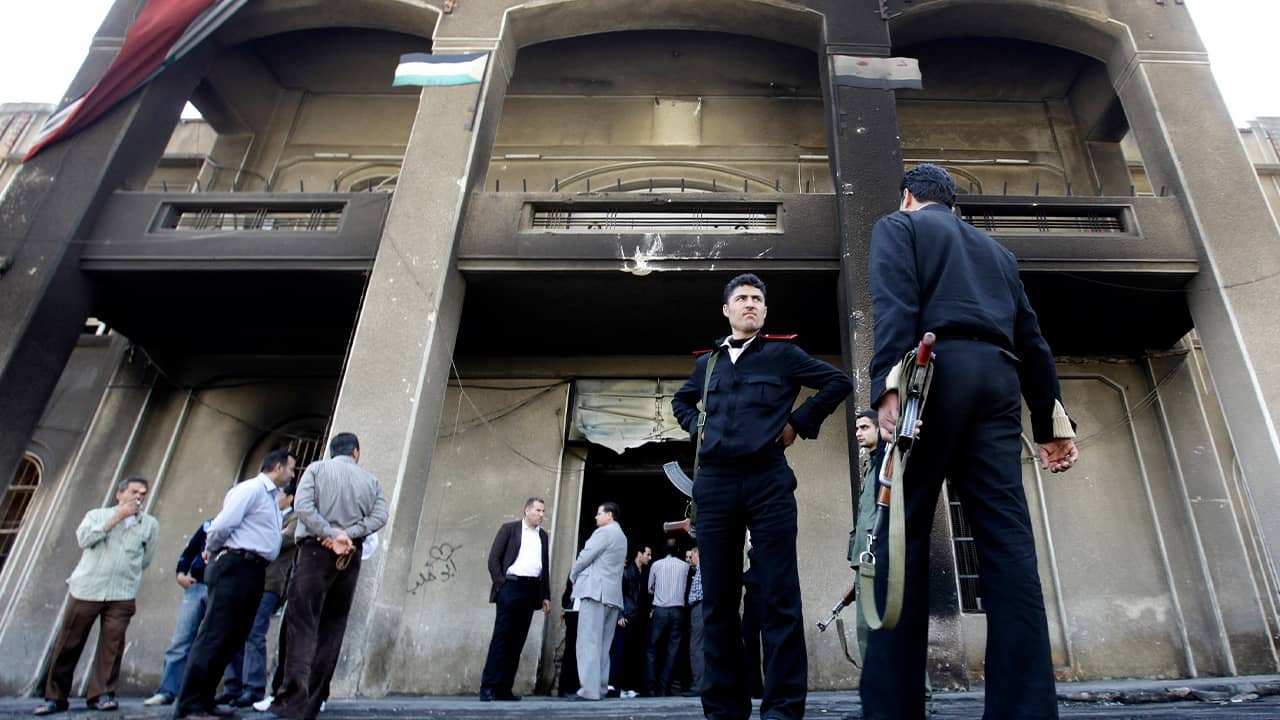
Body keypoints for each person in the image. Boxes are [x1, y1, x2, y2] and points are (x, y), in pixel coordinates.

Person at [861, 164, 1079, 720]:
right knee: (1008, 546)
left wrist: (887, 385)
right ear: (951, 202)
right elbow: (1034, 339)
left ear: (908, 195)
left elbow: (896, 306)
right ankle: (1025, 710)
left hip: (934, 374)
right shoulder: (997, 254)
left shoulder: (898, 226)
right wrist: (1051, 424)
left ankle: (892, 710)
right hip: (999, 381)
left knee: (900, 541)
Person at [672, 273, 852, 720]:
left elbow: (838, 382)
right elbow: (681, 402)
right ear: (727, 310)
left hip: (767, 480)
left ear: (765, 311)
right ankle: (724, 709)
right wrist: (699, 429)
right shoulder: (707, 363)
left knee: (778, 596)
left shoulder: (783, 354)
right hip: (713, 484)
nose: (749, 304)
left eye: (757, 299)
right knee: (717, 601)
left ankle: (783, 709)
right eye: (741, 299)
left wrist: (798, 423)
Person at [265, 433, 387, 720]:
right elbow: (380, 517)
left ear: (333, 451)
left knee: (302, 624)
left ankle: (291, 701)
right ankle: (313, 702)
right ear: (356, 452)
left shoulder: (316, 470)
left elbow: (303, 508)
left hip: (314, 553)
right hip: (349, 557)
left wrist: (330, 534)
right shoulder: (371, 482)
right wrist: (348, 535)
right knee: (333, 628)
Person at [173, 450, 296, 720]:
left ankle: (205, 701)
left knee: (233, 636)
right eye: (291, 469)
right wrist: (212, 550)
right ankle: (189, 705)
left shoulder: (270, 499)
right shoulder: (251, 490)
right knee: (214, 634)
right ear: (277, 467)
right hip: (235, 565)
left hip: (253, 570)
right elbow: (221, 525)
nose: (292, 474)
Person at [35, 477, 158, 715]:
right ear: (119, 495)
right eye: (134, 492)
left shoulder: (149, 524)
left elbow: (146, 559)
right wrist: (116, 519)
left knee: (112, 645)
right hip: (87, 589)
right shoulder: (96, 516)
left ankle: (102, 695)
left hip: (122, 592)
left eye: (143, 493)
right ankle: (55, 697)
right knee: (69, 643)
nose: (139, 497)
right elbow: (84, 539)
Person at [220, 481, 298, 708]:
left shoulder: (295, 519)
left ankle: (253, 689)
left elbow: (280, 540)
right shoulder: (267, 514)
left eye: (280, 493)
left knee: (254, 633)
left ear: (290, 498)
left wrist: (254, 534)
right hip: (248, 578)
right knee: (235, 632)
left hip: (270, 583)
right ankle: (232, 686)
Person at [479, 497, 551, 702]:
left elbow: (544, 567)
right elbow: (494, 559)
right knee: (502, 638)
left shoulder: (543, 536)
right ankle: (488, 686)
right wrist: (501, 584)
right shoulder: (509, 529)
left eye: (543, 511)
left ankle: (504, 688)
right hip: (510, 586)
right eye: (538, 510)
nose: (541, 514)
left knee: (517, 641)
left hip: (531, 589)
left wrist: (545, 595)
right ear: (527, 511)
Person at [144, 518, 212, 707]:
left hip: (222, 587)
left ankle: (206, 694)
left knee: (217, 643)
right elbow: (190, 550)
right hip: (197, 585)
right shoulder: (210, 524)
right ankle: (167, 690)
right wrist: (180, 572)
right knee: (180, 640)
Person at [569, 502, 627, 701]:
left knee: (588, 642)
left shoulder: (603, 533)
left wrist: (573, 574)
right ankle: (601, 687)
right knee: (603, 645)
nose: (596, 517)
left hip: (595, 593)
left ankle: (588, 690)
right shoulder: (622, 536)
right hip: (612, 596)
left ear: (609, 515)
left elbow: (586, 556)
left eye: (599, 513)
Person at [645, 544, 688, 697]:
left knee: (652, 649)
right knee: (672, 651)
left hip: (660, 609)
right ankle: (664, 687)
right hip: (677, 611)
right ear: (677, 551)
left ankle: (650, 687)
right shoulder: (684, 566)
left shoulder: (656, 565)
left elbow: (649, 588)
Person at [617, 545, 652, 698]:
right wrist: (620, 614)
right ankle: (622, 686)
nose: (649, 558)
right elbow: (619, 593)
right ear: (639, 554)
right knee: (625, 653)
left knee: (635, 653)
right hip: (628, 617)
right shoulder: (627, 572)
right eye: (648, 554)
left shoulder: (643, 573)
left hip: (639, 618)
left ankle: (631, 686)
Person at [686, 547, 705, 697]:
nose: (690, 557)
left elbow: (699, 591)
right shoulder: (700, 568)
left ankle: (699, 684)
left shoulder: (701, 568)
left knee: (696, 646)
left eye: (692, 554)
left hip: (699, 607)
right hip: (702, 607)